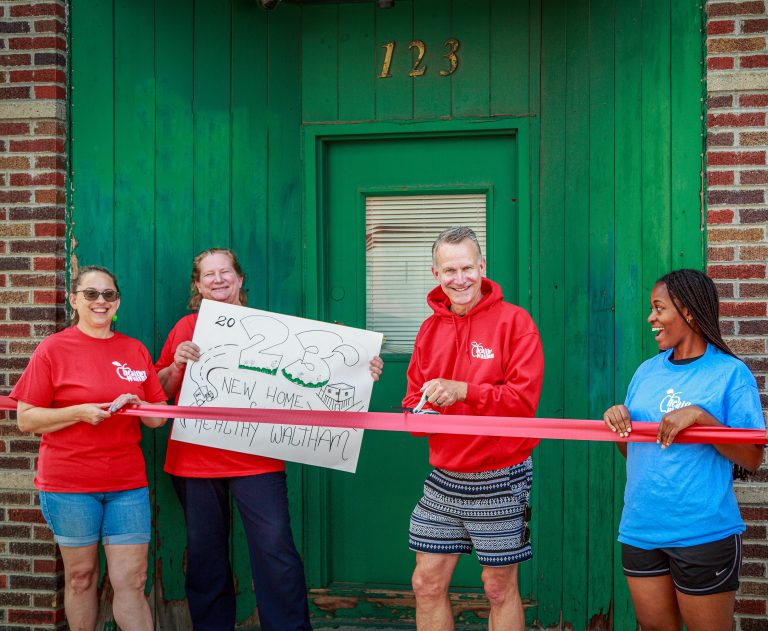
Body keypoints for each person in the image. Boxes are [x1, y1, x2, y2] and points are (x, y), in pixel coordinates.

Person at [156, 247, 383, 631]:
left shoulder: (273, 328)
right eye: (208, 275)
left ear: (240, 278)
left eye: (224, 272)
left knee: (275, 549)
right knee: (205, 554)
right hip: (195, 455)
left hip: (257, 455)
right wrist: (177, 363)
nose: (217, 280)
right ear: (197, 285)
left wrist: (360, 366)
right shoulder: (185, 327)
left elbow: (317, 369)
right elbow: (159, 389)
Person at [603, 269, 765, 631]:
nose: (650, 317)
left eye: (658, 308)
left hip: (702, 533)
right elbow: (640, 455)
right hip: (641, 529)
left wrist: (701, 418)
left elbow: (753, 457)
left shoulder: (730, 374)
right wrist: (620, 425)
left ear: (688, 311)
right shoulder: (646, 372)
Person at [402, 226, 545, 631]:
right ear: (436, 274)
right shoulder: (429, 330)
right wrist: (420, 415)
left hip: (501, 475)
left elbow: (522, 403)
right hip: (445, 476)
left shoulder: (515, 322)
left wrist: (464, 391)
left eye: (467, 267)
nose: (459, 278)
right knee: (425, 583)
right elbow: (413, 401)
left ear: (482, 267)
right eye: (449, 270)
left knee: (498, 588)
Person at [10, 265, 167, 631]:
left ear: (118, 302)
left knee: (133, 580)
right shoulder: (53, 349)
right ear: (74, 300)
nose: (100, 301)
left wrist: (139, 405)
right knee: (81, 576)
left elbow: (157, 419)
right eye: (91, 294)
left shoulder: (134, 350)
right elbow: (26, 419)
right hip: (70, 485)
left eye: (108, 294)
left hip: (126, 485)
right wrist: (79, 413)